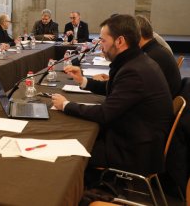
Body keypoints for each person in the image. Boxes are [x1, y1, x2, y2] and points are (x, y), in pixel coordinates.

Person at [51, 14, 173, 176]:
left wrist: (65, 105)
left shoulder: (134, 71)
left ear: (120, 41)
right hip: (137, 137)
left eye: (103, 40)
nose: (100, 45)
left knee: (68, 152)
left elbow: (104, 114)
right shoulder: (136, 61)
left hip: (134, 151)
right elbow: (115, 88)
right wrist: (83, 81)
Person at [136, 15, 181, 97]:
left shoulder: (152, 57)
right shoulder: (155, 49)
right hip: (164, 99)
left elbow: (136, 87)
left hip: (161, 105)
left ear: (138, 35)